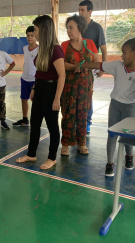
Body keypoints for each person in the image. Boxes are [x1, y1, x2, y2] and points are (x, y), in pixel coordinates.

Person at [81, 34, 135, 176]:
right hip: (115, 105)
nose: (121, 56)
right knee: (112, 134)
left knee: (128, 135)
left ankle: (129, 157)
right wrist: (81, 65)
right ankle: (110, 163)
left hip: (130, 107)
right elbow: (98, 65)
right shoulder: (117, 66)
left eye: (124, 53)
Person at [15, 15, 65, 170]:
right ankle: (31, 154)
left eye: (36, 30)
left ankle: (52, 158)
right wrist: (35, 88)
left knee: (52, 126)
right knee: (35, 124)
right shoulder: (41, 48)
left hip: (51, 91)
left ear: (43, 30)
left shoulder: (56, 49)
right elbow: (40, 72)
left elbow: (62, 75)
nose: (34, 33)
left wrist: (57, 98)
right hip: (40, 89)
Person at [60, 15, 100, 155]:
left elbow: (96, 62)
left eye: (71, 28)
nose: (69, 31)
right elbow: (61, 64)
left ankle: (81, 143)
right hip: (69, 86)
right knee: (68, 113)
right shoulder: (64, 45)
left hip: (85, 86)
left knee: (83, 113)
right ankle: (65, 143)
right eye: (67, 28)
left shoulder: (89, 44)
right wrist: (74, 67)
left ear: (80, 28)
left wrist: (84, 66)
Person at [78, 0, 107, 134]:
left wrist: (103, 67)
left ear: (90, 12)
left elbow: (104, 49)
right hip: (75, 67)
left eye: (83, 10)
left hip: (89, 68)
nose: (80, 12)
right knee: (75, 94)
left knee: (88, 95)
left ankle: (87, 122)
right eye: (79, 10)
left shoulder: (96, 28)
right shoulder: (77, 26)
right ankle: (77, 121)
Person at [12, 26, 38, 127]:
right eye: (28, 35)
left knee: (35, 102)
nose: (30, 37)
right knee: (24, 99)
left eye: (32, 35)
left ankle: (35, 120)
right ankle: (25, 119)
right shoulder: (25, 48)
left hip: (34, 80)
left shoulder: (39, 49)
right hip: (24, 79)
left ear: (36, 36)